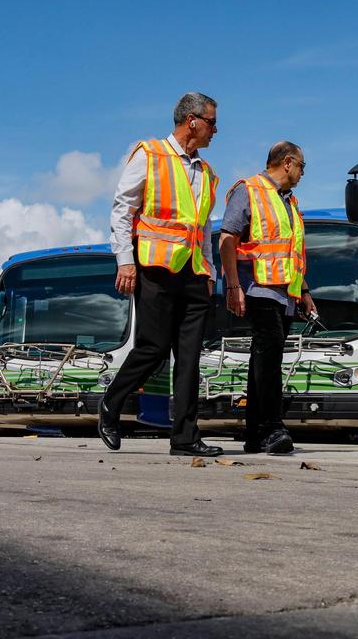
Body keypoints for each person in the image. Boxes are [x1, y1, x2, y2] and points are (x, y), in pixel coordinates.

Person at [98, 92, 224, 457]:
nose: (216, 131)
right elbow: (123, 210)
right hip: (155, 268)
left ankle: (184, 438)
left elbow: (202, 228)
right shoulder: (149, 155)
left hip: (194, 274)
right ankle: (111, 403)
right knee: (153, 349)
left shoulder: (207, 173)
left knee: (189, 358)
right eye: (213, 123)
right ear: (193, 121)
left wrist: (210, 271)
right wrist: (124, 260)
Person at [218, 141, 315, 454]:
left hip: (284, 294)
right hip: (257, 289)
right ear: (287, 163)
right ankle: (273, 428)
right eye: (301, 166)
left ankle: (256, 434)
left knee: (263, 361)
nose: (302, 173)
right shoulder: (249, 190)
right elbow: (227, 240)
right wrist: (232, 287)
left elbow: (292, 253)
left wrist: (304, 292)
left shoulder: (289, 201)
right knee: (268, 358)